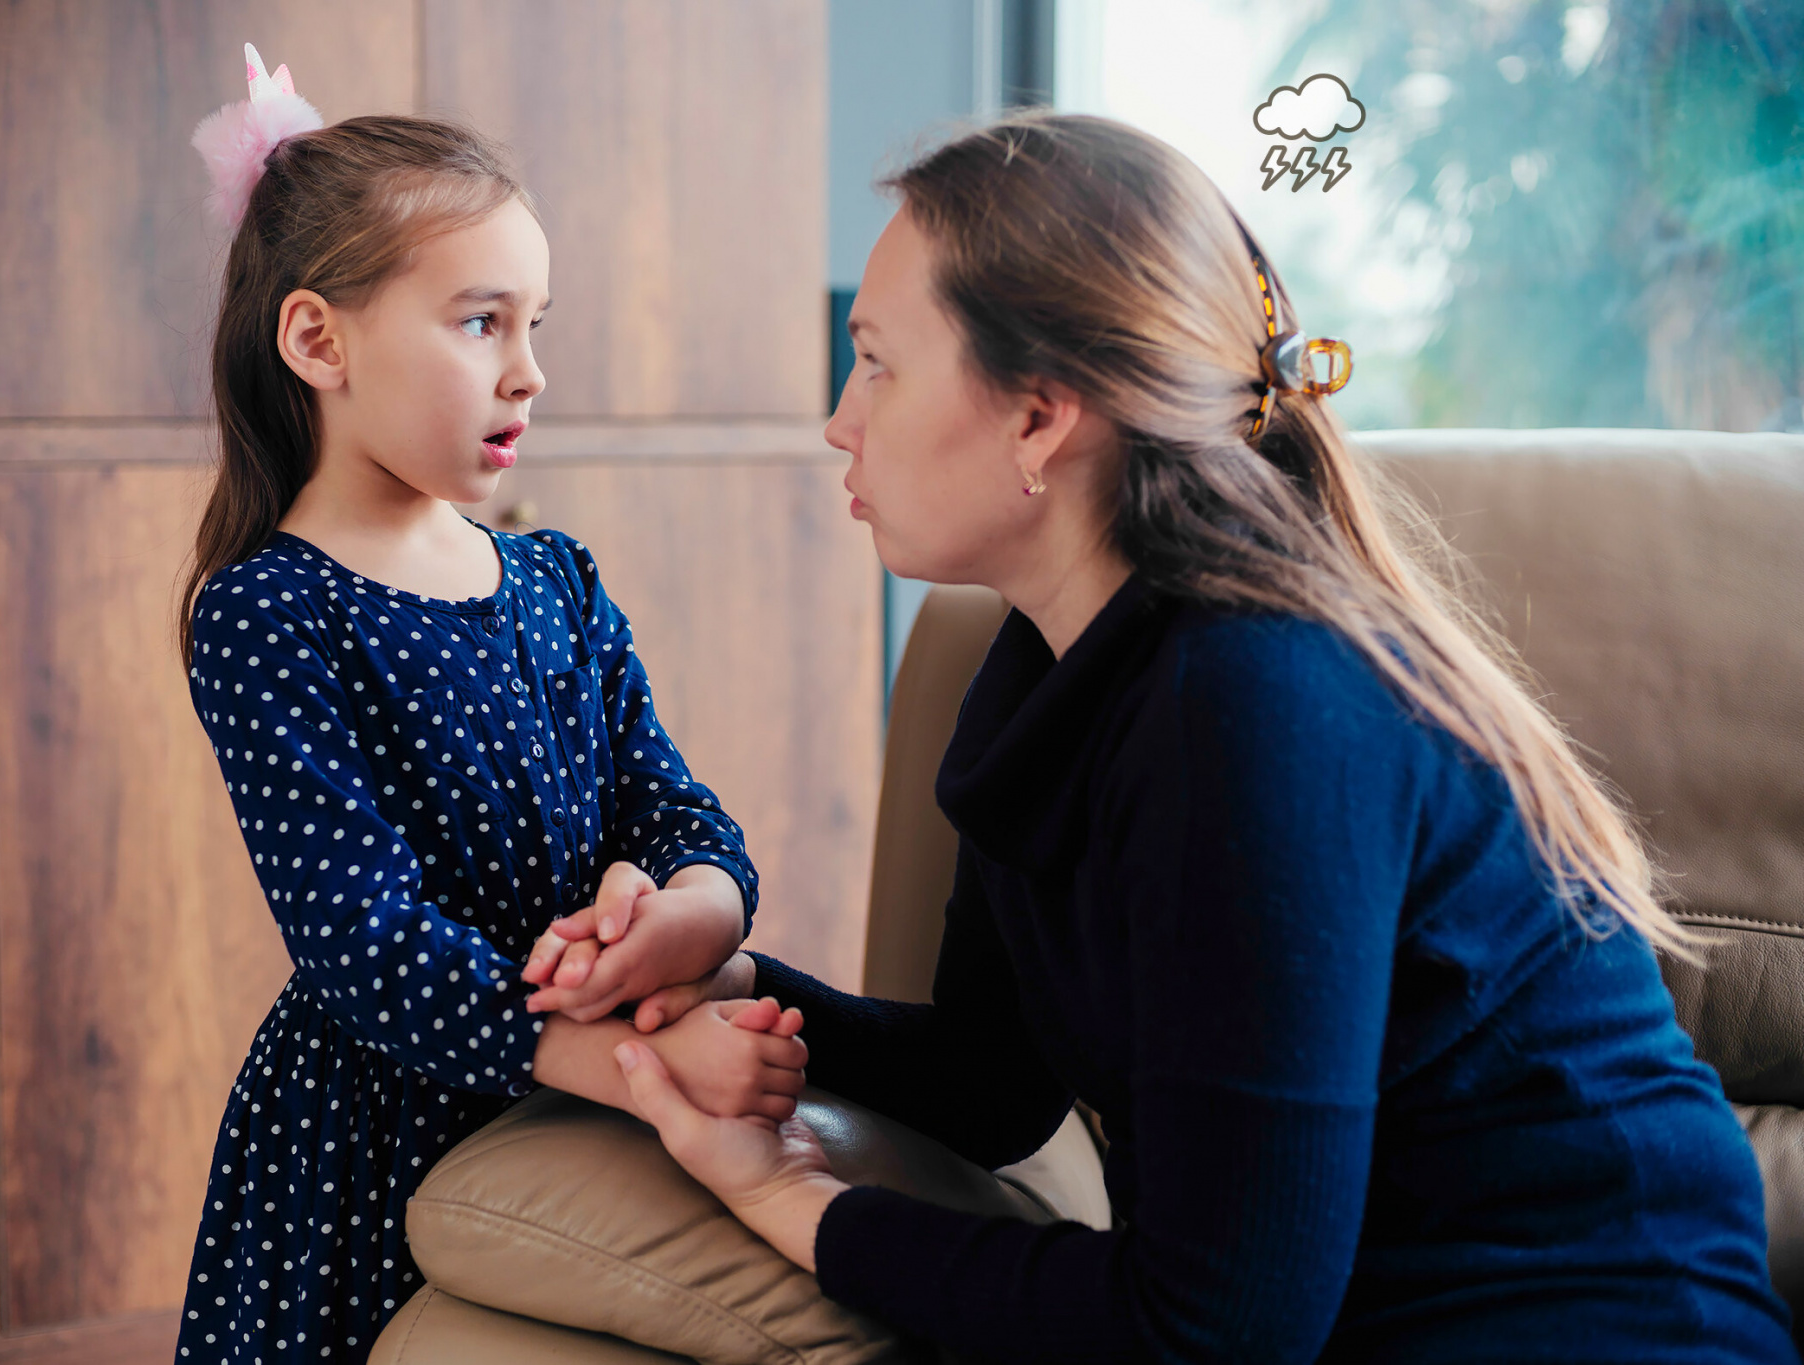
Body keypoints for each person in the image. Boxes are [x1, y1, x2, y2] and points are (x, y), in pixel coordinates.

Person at [612, 113, 1799, 1363]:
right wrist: (723, 983)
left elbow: (1212, 1334)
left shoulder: (1258, 707)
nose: (838, 421)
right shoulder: (1041, 669)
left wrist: (793, 1202)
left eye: (875, 364)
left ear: (1038, 417)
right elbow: (989, 1081)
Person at [172, 51, 807, 1363]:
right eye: (480, 323)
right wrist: (640, 1066)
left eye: (537, 325)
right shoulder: (269, 611)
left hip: (587, 1093)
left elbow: (675, 809)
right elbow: (363, 943)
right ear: (318, 340)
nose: (528, 373)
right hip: (378, 1138)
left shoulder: (553, 578)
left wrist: (685, 915)